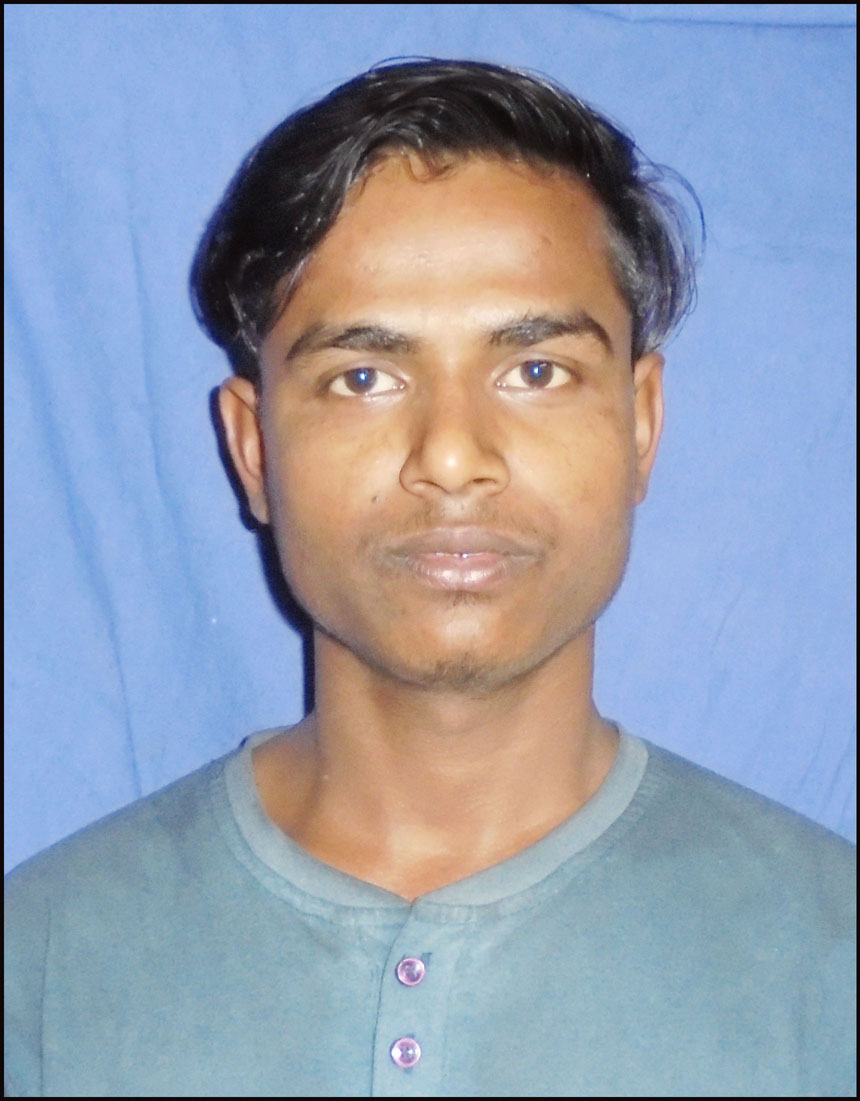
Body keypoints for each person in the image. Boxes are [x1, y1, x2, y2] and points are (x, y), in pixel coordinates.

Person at [4, 58, 855, 1098]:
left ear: (640, 423)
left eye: (535, 371)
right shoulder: (41, 968)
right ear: (254, 450)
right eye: (363, 377)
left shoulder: (829, 963)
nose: (451, 456)